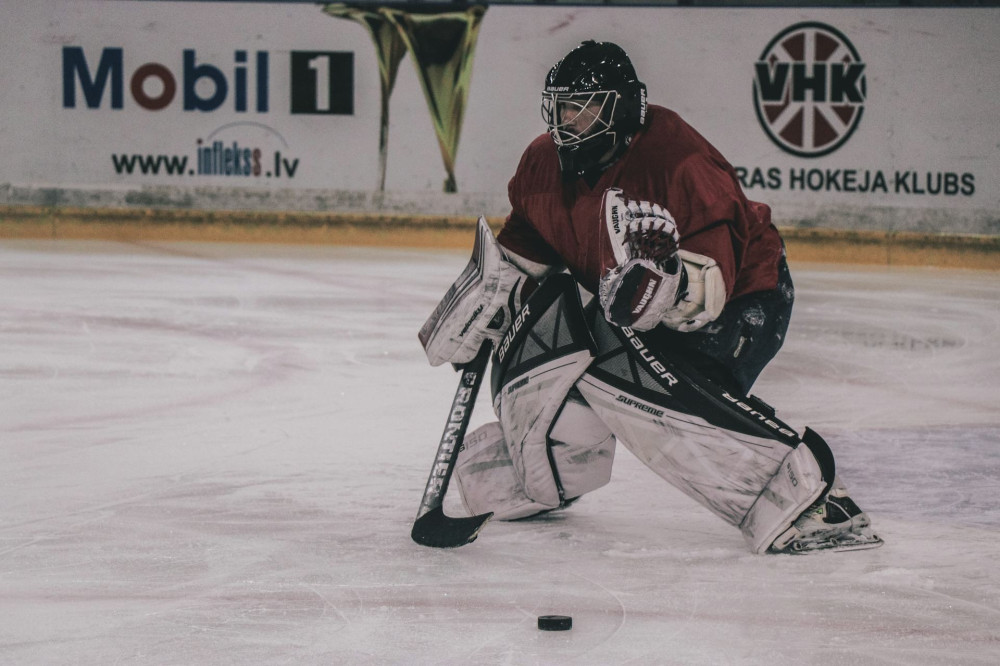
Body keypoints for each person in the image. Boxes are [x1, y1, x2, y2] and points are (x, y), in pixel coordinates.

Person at [418, 40, 882, 554]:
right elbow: (522, 255)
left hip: (744, 305)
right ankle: (540, 472)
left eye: (582, 108)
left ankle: (811, 498)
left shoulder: (679, 162)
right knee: (544, 332)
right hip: (626, 313)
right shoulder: (541, 163)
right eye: (562, 107)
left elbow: (707, 292)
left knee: (626, 372)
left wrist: (668, 284)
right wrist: (489, 300)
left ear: (620, 109)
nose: (566, 120)